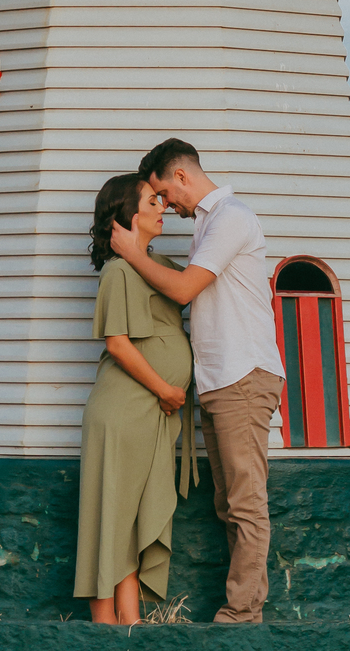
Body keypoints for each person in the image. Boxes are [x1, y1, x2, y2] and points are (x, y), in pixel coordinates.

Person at [110, 140, 285, 625]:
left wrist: (131, 252)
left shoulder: (231, 217)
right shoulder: (210, 222)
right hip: (222, 379)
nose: (166, 205)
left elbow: (186, 289)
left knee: (245, 503)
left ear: (182, 176)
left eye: (165, 193)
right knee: (230, 504)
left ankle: (242, 614)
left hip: (242, 375)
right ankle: (243, 609)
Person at [74, 172, 197, 624]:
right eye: (151, 202)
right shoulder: (119, 271)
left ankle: (131, 624)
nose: (162, 207)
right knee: (109, 513)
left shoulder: (156, 264)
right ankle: (103, 626)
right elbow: (118, 343)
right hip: (125, 410)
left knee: (130, 515)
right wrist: (166, 389)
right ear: (127, 214)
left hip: (152, 413)